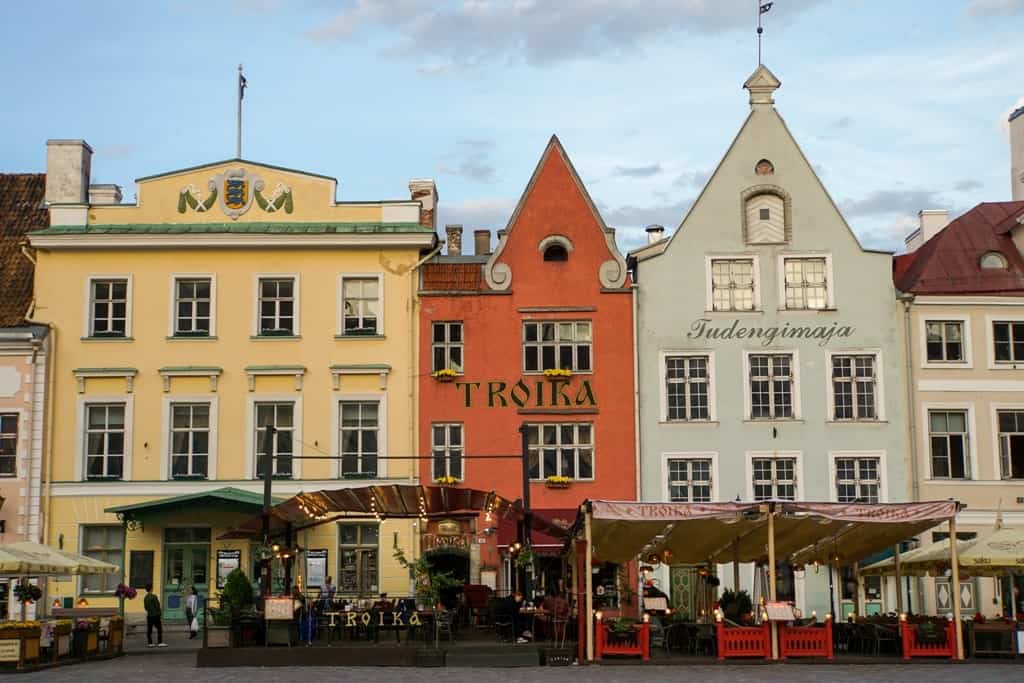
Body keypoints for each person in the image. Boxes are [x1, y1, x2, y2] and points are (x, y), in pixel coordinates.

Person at [143, 584, 167, 648]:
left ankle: (150, 643)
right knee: (159, 629)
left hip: (149, 615)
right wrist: (159, 612)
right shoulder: (154, 596)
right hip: (155, 615)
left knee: (149, 630)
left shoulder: (145, 597)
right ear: (151, 589)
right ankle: (160, 642)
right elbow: (157, 606)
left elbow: (145, 608)